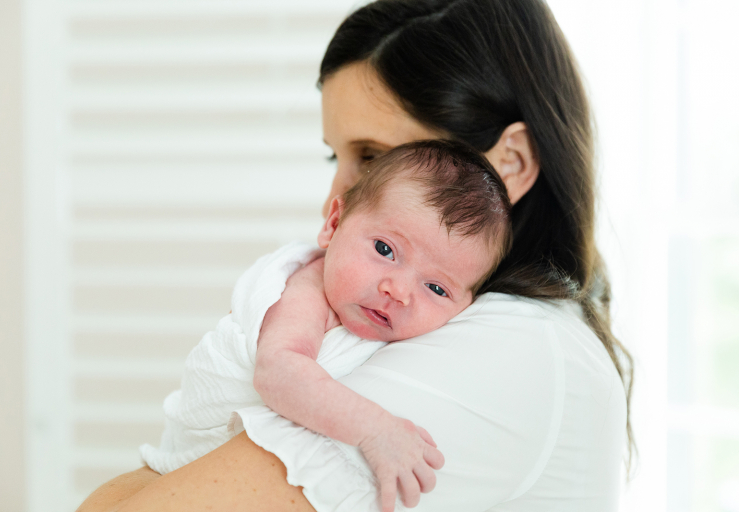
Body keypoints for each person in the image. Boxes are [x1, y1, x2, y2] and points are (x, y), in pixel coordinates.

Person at [78, 1, 634, 511]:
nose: (333, 202)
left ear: (510, 161)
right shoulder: (404, 310)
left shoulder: (510, 345)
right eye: (335, 159)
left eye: (373, 156)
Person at [138, 140, 512, 512]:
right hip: (193, 463)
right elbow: (278, 373)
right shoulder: (307, 290)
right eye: (385, 250)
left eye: (436, 288)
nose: (398, 292)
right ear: (334, 225)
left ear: (467, 306)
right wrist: (374, 429)